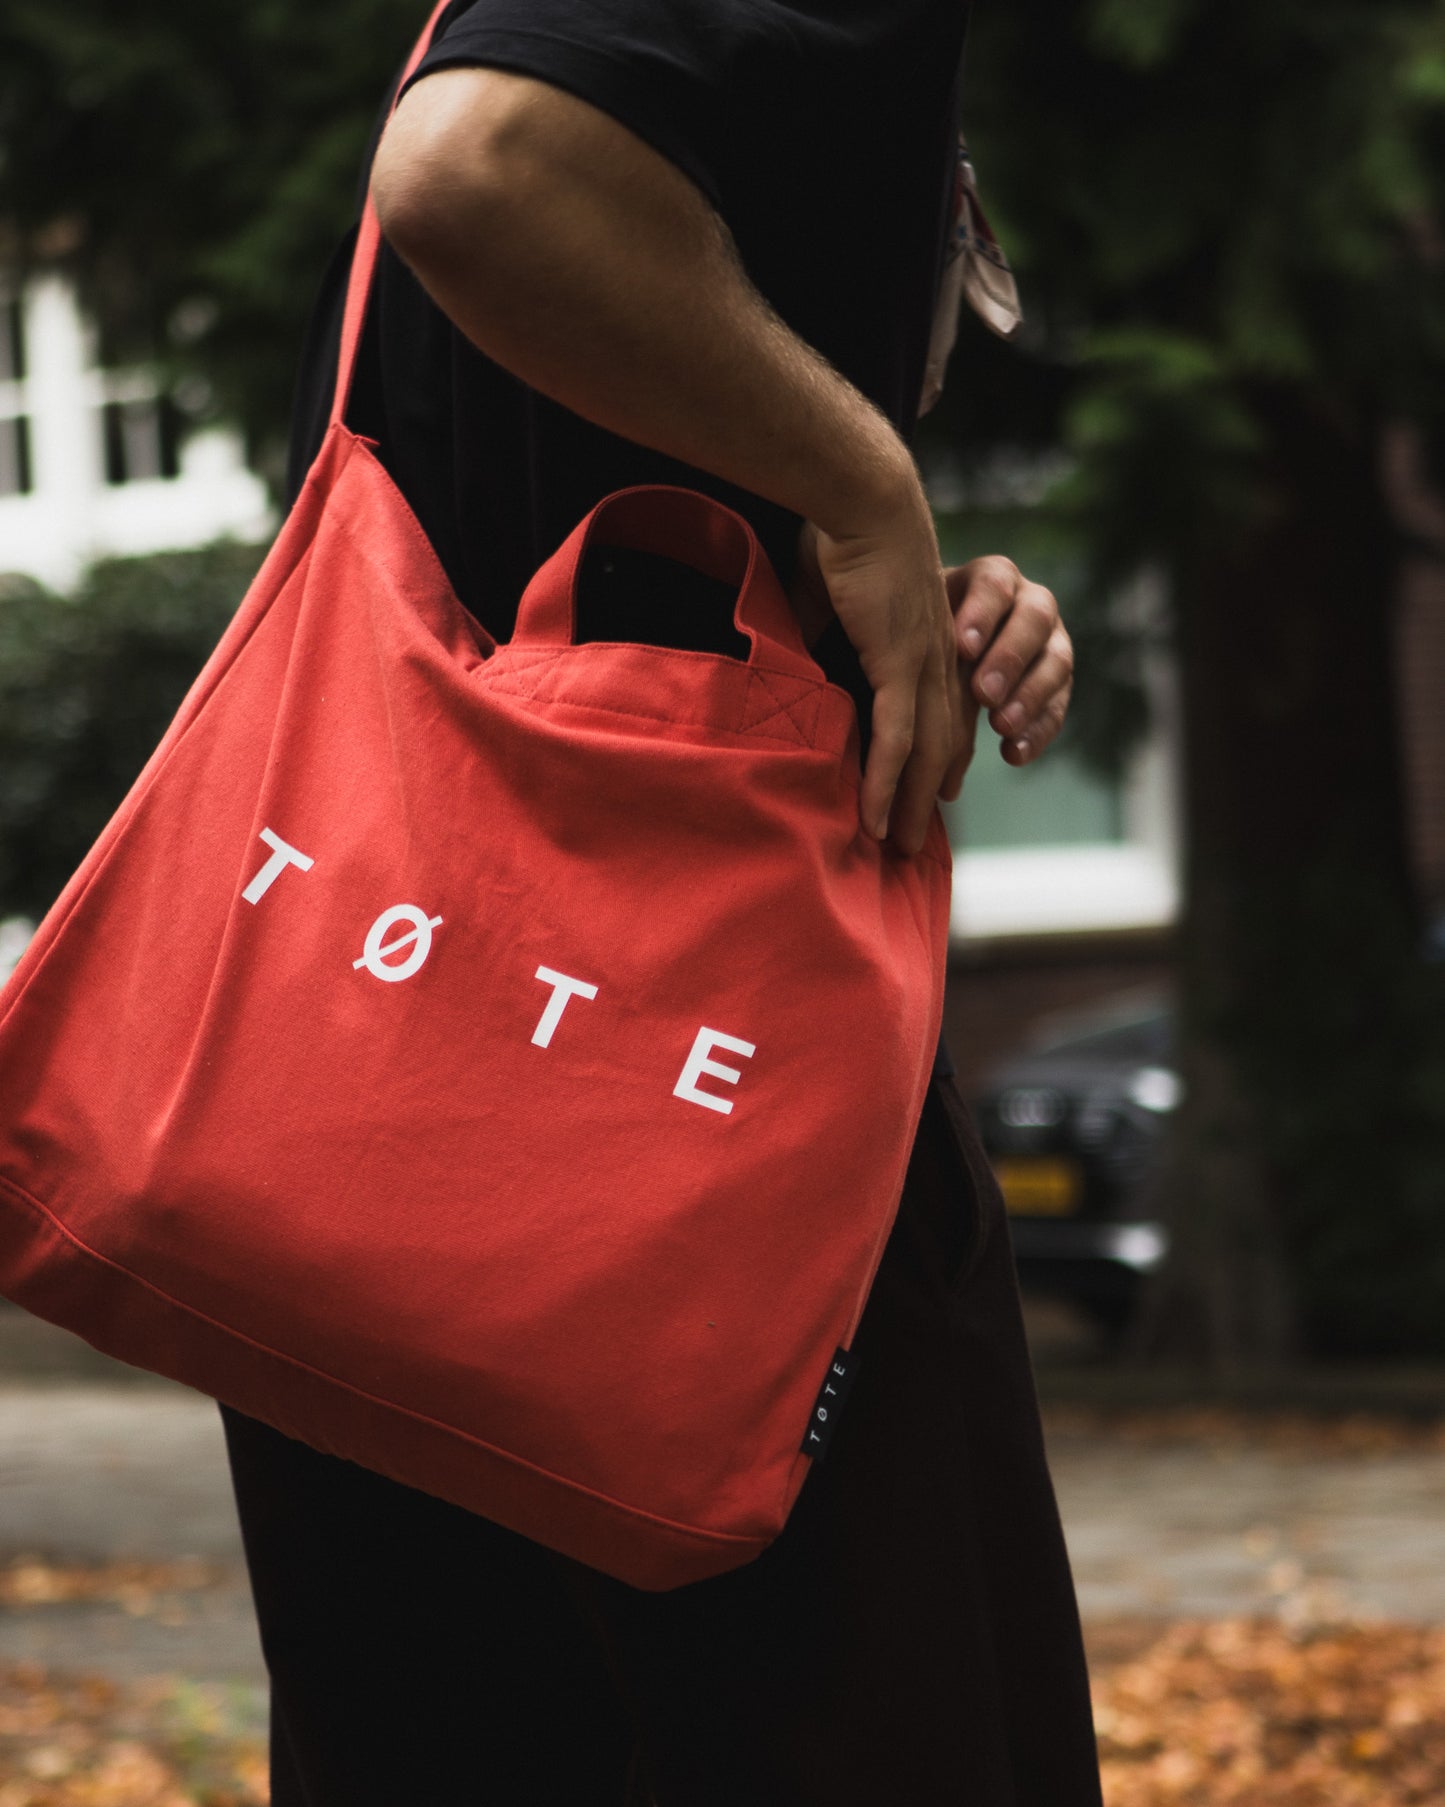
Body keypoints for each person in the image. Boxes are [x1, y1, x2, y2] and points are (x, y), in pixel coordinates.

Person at [217, 2, 1104, 1802]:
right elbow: (479, 168)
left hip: (376, 1128)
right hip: (721, 1112)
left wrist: (895, 568)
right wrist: (861, 489)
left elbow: (581, 485)